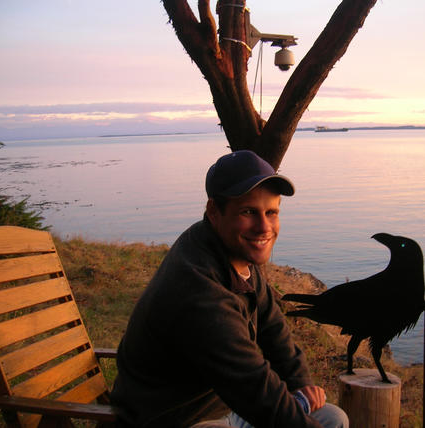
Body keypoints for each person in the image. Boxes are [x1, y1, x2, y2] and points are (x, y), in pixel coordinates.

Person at [111, 150, 349, 428]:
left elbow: (272, 327)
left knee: (333, 418)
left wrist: (298, 381)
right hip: (178, 418)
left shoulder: (229, 249)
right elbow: (253, 386)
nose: (264, 227)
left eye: (271, 212)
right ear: (214, 211)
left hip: (227, 403)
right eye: (248, 212)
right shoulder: (199, 291)